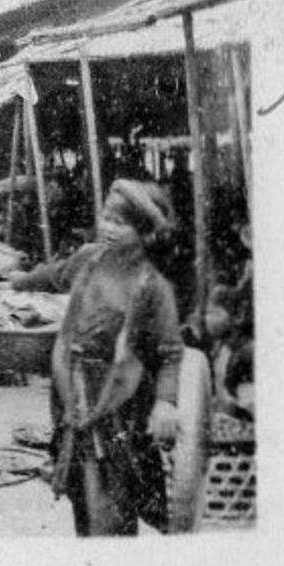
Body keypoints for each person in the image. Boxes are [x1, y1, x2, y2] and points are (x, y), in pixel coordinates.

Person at [50, 179, 184, 536]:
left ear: (144, 232)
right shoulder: (88, 261)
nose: (107, 228)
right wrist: (16, 283)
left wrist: (165, 403)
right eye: (105, 218)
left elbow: (170, 353)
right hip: (75, 392)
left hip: (121, 403)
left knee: (115, 497)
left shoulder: (153, 286)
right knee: (82, 489)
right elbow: (54, 274)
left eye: (120, 223)